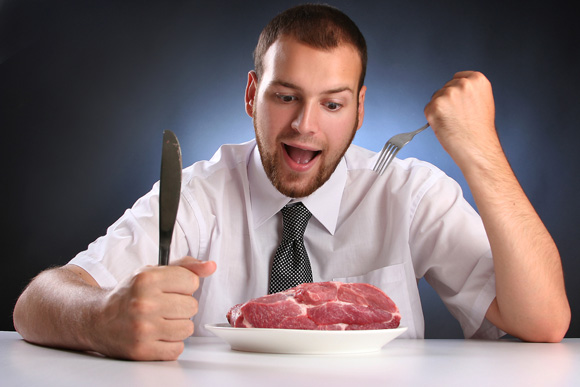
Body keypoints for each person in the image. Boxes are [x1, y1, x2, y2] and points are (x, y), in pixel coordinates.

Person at [13, 4, 570, 361]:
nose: (306, 125)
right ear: (253, 94)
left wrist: (481, 150)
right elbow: (36, 303)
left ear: (359, 110)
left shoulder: (406, 191)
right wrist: (102, 318)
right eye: (286, 97)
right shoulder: (198, 193)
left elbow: (543, 322)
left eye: (332, 103)